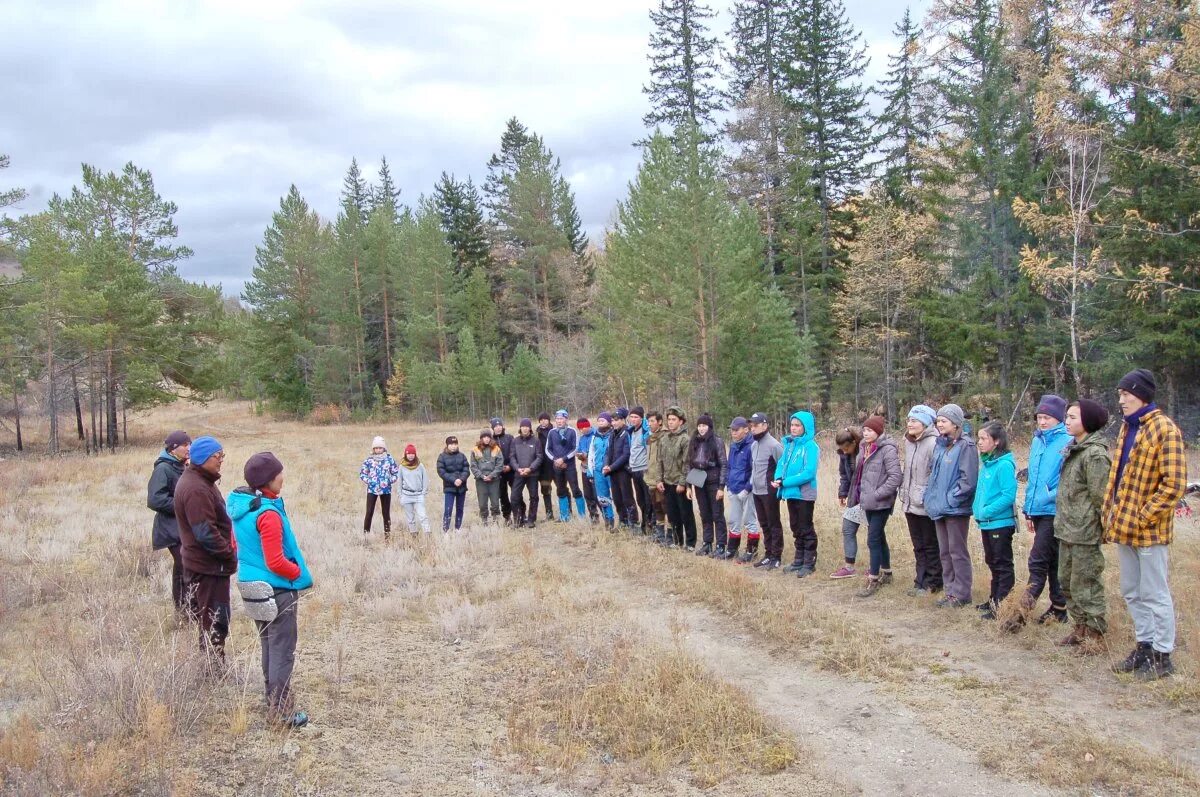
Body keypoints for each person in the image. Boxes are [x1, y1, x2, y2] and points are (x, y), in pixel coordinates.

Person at [1104, 369, 1187, 681]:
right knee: (1131, 590)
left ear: (1142, 395)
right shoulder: (1128, 428)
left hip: (1149, 530)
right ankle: (1145, 646)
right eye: (1120, 395)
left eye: (1126, 394)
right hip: (1124, 527)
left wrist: (1144, 515)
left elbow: (1175, 484)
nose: (1121, 400)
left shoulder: (1165, 429)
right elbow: (1119, 477)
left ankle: (1163, 655)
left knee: (1154, 592)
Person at [228, 452, 312, 728]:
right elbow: (275, 560)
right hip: (277, 591)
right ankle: (282, 711)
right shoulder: (268, 514)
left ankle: (272, 700)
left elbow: (236, 546)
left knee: (268, 645)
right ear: (268, 480)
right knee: (282, 651)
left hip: (253, 587)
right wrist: (297, 572)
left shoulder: (243, 508)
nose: (282, 477)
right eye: (279, 473)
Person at [1054, 399, 1112, 651]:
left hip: (1085, 531)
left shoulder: (1095, 454)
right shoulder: (1074, 449)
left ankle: (1095, 633)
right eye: (1066, 416)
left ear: (1087, 421)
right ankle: (1079, 627)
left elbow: (1102, 497)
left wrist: (1104, 528)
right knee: (1066, 581)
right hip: (1066, 528)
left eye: (1073, 417)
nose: (1067, 421)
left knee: (1086, 583)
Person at [173, 435, 236, 663]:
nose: (221, 460)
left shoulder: (201, 481)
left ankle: (214, 662)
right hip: (208, 566)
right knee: (214, 618)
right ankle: (213, 668)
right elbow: (205, 534)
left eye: (222, 455)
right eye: (217, 456)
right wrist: (228, 555)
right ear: (201, 459)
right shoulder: (196, 489)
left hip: (209, 564)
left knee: (214, 617)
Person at [1018, 394, 1072, 625]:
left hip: (1054, 509)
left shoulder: (1068, 441)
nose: (1042, 422)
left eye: (1047, 417)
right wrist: (1029, 510)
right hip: (1038, 509)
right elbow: (1034, 478)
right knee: (1052, 561)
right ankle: (1059, 608)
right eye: (1039, 417)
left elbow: (1065, 479)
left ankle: (1019, 611)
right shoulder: (1038, 440)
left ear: (1059, 419)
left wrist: (1050, 496)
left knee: (1038, 559)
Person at [925, 404, 978, 608]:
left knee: (957, 551)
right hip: (938, 507)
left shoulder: (966, 446)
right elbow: (934, 475)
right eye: (938, 421)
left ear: (956, 423)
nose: (940, 424)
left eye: (944, 421)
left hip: (955, 509)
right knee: (944, 551)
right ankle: (950, 591)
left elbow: (968, 481)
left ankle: (962, 593)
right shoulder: (940, 445)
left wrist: (951, 499)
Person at [850, 416, 902, 597]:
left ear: (879, 432)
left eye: (870, 430)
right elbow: (860, 475)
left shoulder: (887, 449)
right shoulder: (864, 448)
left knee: (872, 539)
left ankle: (873, 579)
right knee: (879, 537)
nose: (866, 433)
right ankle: (887, 572)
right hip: (867, 502)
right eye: (864, 430)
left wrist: (877, 494)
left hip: (881, 503)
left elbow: (895, 477)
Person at [971, 421, 1017, 619]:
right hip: (987, 523)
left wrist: (988, 511)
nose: (979, 442)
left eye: (983, 439)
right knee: (992, 561)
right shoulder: (987, 464)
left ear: (996, 442)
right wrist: (977, 510)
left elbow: (1008, 495)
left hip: (1000, 522)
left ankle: (1002, 604)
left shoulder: (1004, 465)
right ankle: (993, 599)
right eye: (978, 438)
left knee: (1002, 563)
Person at [147, 430, 191, 616]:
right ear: (173, 449)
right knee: (184, 565)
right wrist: (183, 505)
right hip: (169, 529)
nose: (189, 448)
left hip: (182, 528)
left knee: (184, 567)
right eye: (185, 445)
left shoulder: (181, 466)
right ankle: (183, 611)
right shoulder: (163, 469)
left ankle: (188, 608)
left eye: (190, 444)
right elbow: (155, 500)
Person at [900, 405, 943, 595]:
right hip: (910, 501)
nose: (910, 424)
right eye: (909, 420)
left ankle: (933, 582)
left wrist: (928, 496)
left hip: (926, 502)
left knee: (930, 544)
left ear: (925, 423)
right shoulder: (909, 442)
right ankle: (920, 580)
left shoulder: (934, 443)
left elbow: (937, 474)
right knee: (918, 545)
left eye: (914, 420)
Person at [772, 411, 819, 575]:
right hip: (790, 493)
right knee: (795, 527)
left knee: (806, 527)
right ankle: (798, 560)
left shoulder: (810, 446)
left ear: (806, 427)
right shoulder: (790, 445)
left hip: (805, 494)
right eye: (792, 424)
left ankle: (809, 562)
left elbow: (808, 473)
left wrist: (785, 482)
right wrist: (778, 477)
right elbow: (781, 464)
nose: (794, 428)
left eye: (798, 425)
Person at [688, 414, 729, 557]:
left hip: (713, 481)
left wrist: (721, 487)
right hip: (699, 481)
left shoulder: (717, 441)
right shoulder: (694, 441)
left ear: (709, 427)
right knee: (704, 513)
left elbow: (723, 464)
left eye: (704, 425)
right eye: (699, 425)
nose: (701, 428)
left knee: (717, 514)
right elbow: (689, 463)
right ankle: (707, 543)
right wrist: (689, 485)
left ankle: (721, 545)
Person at [658, 406, 697, 549]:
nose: (671, 422)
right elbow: (659, 461)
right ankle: (677, 540)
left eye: (674, 420)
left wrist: (682, 483)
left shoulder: (685, 439)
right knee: (673, 514)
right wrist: (659, 480)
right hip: (667, 482)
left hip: (680, 484)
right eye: (669, 419)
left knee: (686, 514)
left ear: (681, 422)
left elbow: (687, 463)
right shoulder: (664, 439)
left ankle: (691, 542)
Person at [747, 412, 783, 566]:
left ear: (765, 425)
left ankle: (776, 556)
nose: (752, 428)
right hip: (756, 491)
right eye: (751, 426)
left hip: (769, 491)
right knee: (764, 523)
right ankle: (768, 554)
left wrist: (777, 484)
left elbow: (782, 467)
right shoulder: (753, 445)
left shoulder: (774, 445)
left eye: (756, 425)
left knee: (774, 523)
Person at [724, 417, 758, 561]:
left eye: (736, 430)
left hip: (747, 491)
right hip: (733, 488)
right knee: (733, 520)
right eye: (732, 430)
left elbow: (754, 470)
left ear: (746, 429)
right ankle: (732, 549)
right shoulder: (733, 446)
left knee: (749, 520)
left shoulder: (752, 446)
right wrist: (728, 485)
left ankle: (752, 551)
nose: (733, 433)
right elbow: (729, 466)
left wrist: (747, 488)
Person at [831, 426, 863, 580]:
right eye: (841, 448)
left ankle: (878, 567)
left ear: (854, 443)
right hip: (853, 497)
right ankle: (849, 567)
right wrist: (843, 492)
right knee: (848, 529)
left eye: (846, 448)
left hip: (869, 498)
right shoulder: (844, 456)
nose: (844, 451)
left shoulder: (865, 451)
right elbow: (844, 475)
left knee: (874, 535)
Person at [545, 409, 587, 521]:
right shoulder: (552, 432)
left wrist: (563, 459)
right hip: (557, 466)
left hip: (570, 466)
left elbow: (575, 448)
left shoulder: (572, 431)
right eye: (557, 419)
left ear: (566, 419)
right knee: (560, 490)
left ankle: (582, 516)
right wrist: (555, 460)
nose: (559, 421)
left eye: (561, 418)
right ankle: (564, 516)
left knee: (575, 489)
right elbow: (547, 449)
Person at [359, 435, 399, 540]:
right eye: (376, 448)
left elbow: (395, 473)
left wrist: (389, 481)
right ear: (373, 449)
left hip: (386, 490)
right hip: (372, 490)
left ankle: (387, 535)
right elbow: (363, 474)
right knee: (369, 512)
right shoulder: (369, 460)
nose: (378, 450)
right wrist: (370, 481)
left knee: (386, 513)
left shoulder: (389, 459)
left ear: (384, 448)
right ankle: (366, 535)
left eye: (380, 448)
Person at [605, 407, 638, 529]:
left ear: (623, 420)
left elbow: (626, 454)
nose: (613, 423)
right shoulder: (612, 434)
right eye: (612, 420)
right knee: (617, 498)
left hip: (623, 471)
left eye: (616, 420)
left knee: (627, 498)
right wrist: (607, 465)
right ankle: (623, 521)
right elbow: (608, 452)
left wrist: (612, 467)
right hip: (612, 472)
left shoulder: (626, 433)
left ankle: (633, 523)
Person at [510, 419, 544, 528]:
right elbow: (512, 457)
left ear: (530, 428)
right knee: (514, 497)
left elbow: (539, 457)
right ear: (520, 428)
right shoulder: (515, 441)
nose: (524, 428)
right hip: (519, 473)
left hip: (532, 474)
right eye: (522, 426)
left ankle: (531, 520)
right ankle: (518, 519)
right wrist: (517, 468)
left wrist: (530, 468)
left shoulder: (536, 441)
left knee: (533, 497)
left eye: (527, 426)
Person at [627, 406, 655, 534]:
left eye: (636, 417)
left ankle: (650, 525)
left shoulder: (646, 432)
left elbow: (649, 452)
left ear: (641, 418)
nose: (633, 419)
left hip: (644, 470)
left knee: (648, 500)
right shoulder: (631, 431)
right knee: (640, 500)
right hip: (634, 470)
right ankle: (644, 524)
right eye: (631, 416)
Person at [470, 430, 505, 525]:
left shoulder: (496, 449)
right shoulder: (475, 450)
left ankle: (496, 520)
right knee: (482, 503)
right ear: (481, 438)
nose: (486, 439)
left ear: (490, 438)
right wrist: (481, 476)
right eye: (484, 437)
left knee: (495, 502)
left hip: (494, 480)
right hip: (481, 481)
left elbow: (500, 465)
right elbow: (473, 466)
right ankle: (484, 520)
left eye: (488, 437)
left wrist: (491, 475)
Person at [588, 413, 616, 528]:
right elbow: (591, 454)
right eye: (599, 421)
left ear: (609, 422)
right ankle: (609, 520)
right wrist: (590, 471)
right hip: (598, 470)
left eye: (603, 420)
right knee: (602, 497)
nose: (600, 423)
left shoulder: (614, 434)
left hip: (612, 470)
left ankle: (625, 520)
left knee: (617, 496)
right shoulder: (595, 436)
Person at [645, 412, 669, 544]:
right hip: (651, 478)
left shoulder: (665, 436)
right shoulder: (650, 437)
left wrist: (662, 478)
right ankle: (659, 534)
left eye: (652, 421)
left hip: (663, 479)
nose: (649, 424)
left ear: (660, 422)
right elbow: (650, 458)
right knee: (657, 507)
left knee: (667, 507)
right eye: (648, 421)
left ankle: (671, 535)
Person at [437, 436, 470, 532]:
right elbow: (441, 471)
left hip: (461, 487)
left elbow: (466, 470)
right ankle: (445, 529)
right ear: (447, 445)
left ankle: (458, 528)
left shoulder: (462, 456)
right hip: (449, 487)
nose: (453, 446)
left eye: (455, 444)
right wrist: (453, 480)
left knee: (460, 509)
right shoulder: (442, 457)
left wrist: (461, 479)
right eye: (451, 444)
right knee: (448, 509)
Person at [398, 445, 431, 534]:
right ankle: (414, 534)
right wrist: (400, 495)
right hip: (406, 495)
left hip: (418, 495)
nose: (411, 456)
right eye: (409, 454)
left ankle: (427, 534)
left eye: (413, 453)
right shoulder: (402, 466)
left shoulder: (420, 466)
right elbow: (399, 481)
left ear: (415, 454)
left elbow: (425, 479)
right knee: (410, 518)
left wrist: (423, 492)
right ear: (406, 454)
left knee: (423, 516)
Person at [491, 418, 516, 525]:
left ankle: (519, 514)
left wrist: (510, 466)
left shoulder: (510, 438)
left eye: (499, 425)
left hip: (511, 470)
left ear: (502, 426)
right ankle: (507, 517)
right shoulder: (491, 441)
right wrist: (498, 468)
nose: (498, 428)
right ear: (493, 428)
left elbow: (514, 453)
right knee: (503, 495)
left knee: (516, 493)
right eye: (495, 426)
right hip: (498, 473)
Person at [575, 417, 600, 523]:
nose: (582, 430)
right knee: (588, 494)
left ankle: (607, 517)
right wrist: (579, 454)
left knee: (597, 494)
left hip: (594, 469)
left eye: (584, 427)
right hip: (584, 468)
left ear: (588, 425)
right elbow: (579, 449)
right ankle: (593, 517)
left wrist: (587, 455)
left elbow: (598, 452)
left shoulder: (596, 435)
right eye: (580, 429)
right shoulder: (582, 438)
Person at [535, 413, 556, 521]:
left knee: (562, 489)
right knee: (545, 490)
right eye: (541, 419)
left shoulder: (555, 430)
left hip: (555, 464)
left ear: (549, 420)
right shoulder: (536, 433)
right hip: (543, 467)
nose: (543, 421)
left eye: (545, 419)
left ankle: (567, 512)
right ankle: (549, 514)